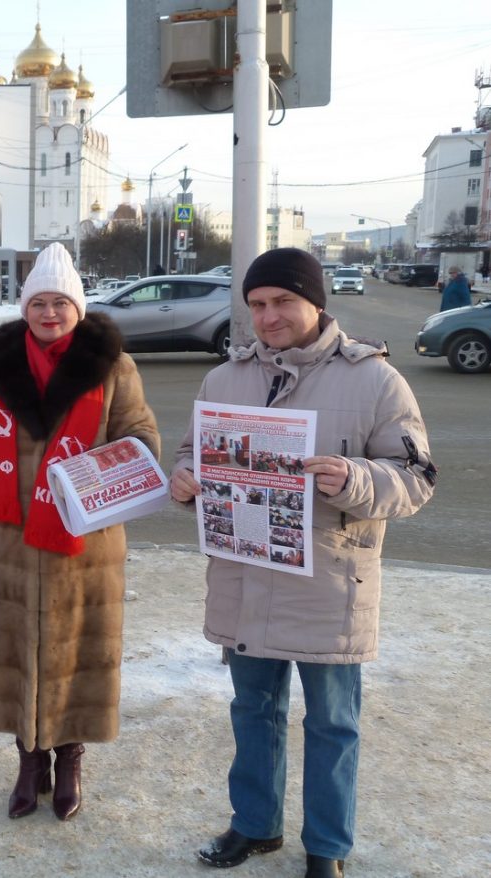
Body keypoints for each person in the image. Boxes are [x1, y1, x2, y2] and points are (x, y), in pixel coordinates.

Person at [168, 248, 436, 878]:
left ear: (316, 302)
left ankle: (327, 848)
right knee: (252, 710)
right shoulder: (225, 379)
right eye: (257, 304)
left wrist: (353, 477)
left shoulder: (375, 380)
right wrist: (185, 478)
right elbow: (191, 454)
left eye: (283, 301)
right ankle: (255, 826)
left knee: (334, 723)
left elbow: (417, 478)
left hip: (330, 583)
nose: (268, 317)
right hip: (246, 578)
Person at [0, 242, 160, 821]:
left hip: (85, 548)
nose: (50, 313)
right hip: (10, 546)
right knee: (16, 654)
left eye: (62, 302)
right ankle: (28, 763)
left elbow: (142, 445)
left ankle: (70, 759)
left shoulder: (113, 369)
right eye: (40, 302)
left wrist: (86, 478)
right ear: (25, 308)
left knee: (75, 657)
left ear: (78, 309)